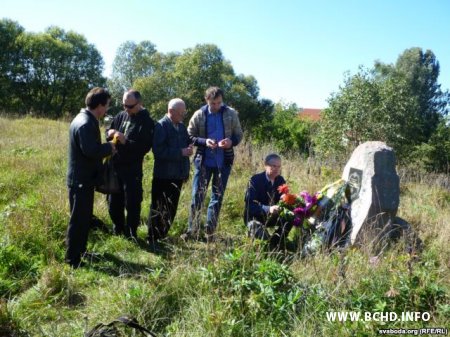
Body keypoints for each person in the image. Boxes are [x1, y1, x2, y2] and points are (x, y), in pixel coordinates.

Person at [184, 86, 243, 241]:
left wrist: (231, 142)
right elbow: (189, 135)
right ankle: (192, 231)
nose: (216, 106)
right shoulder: (199, 114)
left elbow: (239, 135)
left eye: (219, 103)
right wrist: (204, 141)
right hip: (203, 161)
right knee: (198, 196)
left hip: (224, 162)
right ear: (206, 100)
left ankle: (210, 233)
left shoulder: (231, 114)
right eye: (213, 103)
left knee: (217, 197)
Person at [66, 87, 116, 268]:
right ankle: (72, 259)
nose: (107, 110)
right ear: (100, 105)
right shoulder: (85, 123)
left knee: (84, 218)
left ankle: (81, 251)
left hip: (84, 179)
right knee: (78, 220)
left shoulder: (86, 119)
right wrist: (109, 147)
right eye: (107, 106)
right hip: (80, 180)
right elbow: (90, 151)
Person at [106, 89, 154, 239]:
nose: (126, 109)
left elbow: (144, 148)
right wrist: (109, 133)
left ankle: (131, 232)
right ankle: (118, 228)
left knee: (132, 202)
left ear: (139, 104)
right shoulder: (120, 116)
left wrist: (125, 141)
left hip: (132, 169)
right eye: (124, 105)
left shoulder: (146, 121)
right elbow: (108, 130)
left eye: (130, 106)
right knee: (113, 201)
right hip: (115, 166)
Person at [147, 98, 193, 243]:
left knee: (171, 208)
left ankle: (162, 235)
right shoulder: (161, 126)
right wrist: (181, 152)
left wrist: (189, 149)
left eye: (184, 113)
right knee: (158, 207)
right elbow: (158, 152)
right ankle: (152, 238)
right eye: (180, 113)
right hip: (163, 176)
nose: (182, 116)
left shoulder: (181, 126)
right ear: (171, 111)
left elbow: (186, 145)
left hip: (178, 175)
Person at [243, 154, 293, 249]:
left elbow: (283, 200)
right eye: (273, 166)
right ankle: (266, 244)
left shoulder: (280, 180)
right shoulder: (255, 180)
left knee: (291, 217)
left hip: (272, 215)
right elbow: (250, 206)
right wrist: (268, 209)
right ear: (266, 165)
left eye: (279, 166)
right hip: (254, 217)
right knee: (263, 240)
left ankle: (276, 242)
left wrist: (285, 199)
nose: (276, 169)